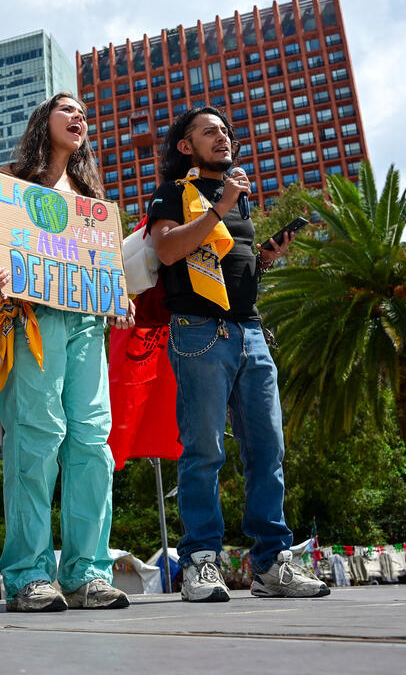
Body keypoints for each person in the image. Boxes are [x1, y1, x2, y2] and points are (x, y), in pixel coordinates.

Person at [146, 105, 330, 601]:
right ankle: (201, 563)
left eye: (225, 131)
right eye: (209, 132)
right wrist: (220, 206)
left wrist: (264, 256)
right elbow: (166, 252)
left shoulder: (238, 201)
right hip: (199, 330)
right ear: (187, 147)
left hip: (249, 330)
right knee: (204, 449)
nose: (222, 137)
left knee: (268, 450)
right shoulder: (174, 194)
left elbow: (230, 268)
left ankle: (271, 564)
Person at [0, 93, 133, 612]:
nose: (79, 118)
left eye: (85, 114)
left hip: (88, 322)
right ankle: (28, 573)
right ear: (42, 120)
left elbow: (103, 262)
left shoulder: (91, 195)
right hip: (33, 318)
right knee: (36, 436)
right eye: (67, 110)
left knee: (93, 439)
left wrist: (117, 297)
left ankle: (88, 570)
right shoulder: (14, 179)